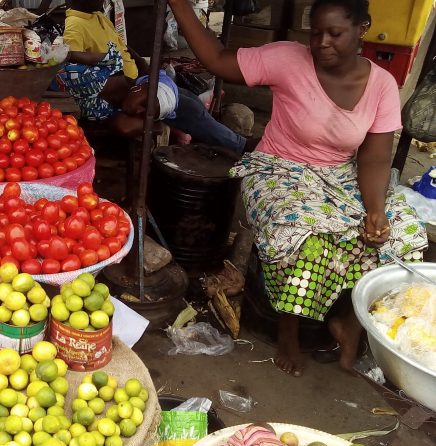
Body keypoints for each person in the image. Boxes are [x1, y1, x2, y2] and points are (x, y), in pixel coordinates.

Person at [167, 0, 428, 376]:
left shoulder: (382, 85)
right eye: (315, 32)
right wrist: (179, 4)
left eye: (334, 34)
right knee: (303, 237)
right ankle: (288, 330)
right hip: (279, 168)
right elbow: (217, 59)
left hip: (340, 175)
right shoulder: (287, 59)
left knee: (403, 237)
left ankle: (351, 323)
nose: (321, 43)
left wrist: (375, 210)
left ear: (362, 30)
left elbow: (374, 158)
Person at [61, 0, 248, 153]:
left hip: (138, 81)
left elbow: (123, 47)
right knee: (189, 108)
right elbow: (76, 69)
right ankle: (239, 145)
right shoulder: (75, 26)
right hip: (124, 93)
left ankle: (219, 140)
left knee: (191, 101)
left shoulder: (98, 16)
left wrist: (144, 66)